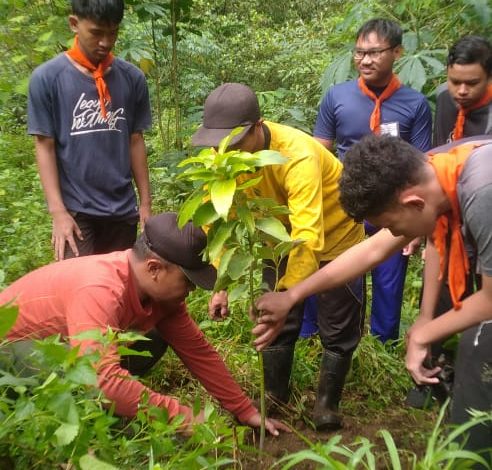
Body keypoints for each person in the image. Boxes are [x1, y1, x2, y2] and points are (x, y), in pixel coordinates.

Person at [255, 135, 492, 459]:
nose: (394, 236)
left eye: (392, 225)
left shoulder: (482, 190)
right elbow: (375, 249)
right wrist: (294, 294)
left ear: (413, 203)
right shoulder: (434, 170)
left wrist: (424, 334)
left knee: (477, 417)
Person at [0, 212, 288, 436]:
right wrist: (184, 417)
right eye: (187, 281)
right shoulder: (100, 289)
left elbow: (197, 351)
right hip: (10, 350)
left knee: (154, 338)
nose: (192, 290)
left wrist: (244, 410)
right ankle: (85, 415)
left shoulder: (162, 299)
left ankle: (113, 405)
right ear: (154, 269)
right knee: (95, 383)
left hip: (70, 349)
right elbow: (103, 380)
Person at [192, 82, 366, 431]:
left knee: (338, 324)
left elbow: (307, 236)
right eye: (220, 143)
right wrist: (221, 283)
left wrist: (290, 293)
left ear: (258, 126)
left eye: (237, 142)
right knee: (278, 319)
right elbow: (219, 221)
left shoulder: (297, 155)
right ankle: (274, 397)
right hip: (276, 239)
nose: (227, 151)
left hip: (334, 237)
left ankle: (327, 404)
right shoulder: (222, 157)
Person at [314, 18, 432, 343]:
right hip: (345, 204)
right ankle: (329, 341)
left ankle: (384, 345)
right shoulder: (336, 97)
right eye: (359, 52)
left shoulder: (415, 104)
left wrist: (416, 227)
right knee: (336, 277)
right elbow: (320, 154)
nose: (365, 60)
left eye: (375, 52)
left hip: (394, 208)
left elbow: (423, 164)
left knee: (389, 282)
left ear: (397, 52)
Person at [27, 0, 152, 261]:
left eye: (113, 32)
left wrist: (145, 205)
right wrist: (58, 212)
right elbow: (45, 145)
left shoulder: (132, 79)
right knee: (81, 290)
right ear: (74, 24)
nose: (106, 42)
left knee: (118, 290)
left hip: (123, 212)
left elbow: (135, 140)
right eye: (96, 33)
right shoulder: (47, 79)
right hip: (76, 212)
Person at [408, 35, 492, 408]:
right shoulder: (445, 100)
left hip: (484, 205)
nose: (460, 90)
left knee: (484, 294)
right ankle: (433, 371)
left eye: (471, 83)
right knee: (441, 283)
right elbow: (442, 152)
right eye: (454, 80)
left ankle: (477, 373)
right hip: (453, 208)